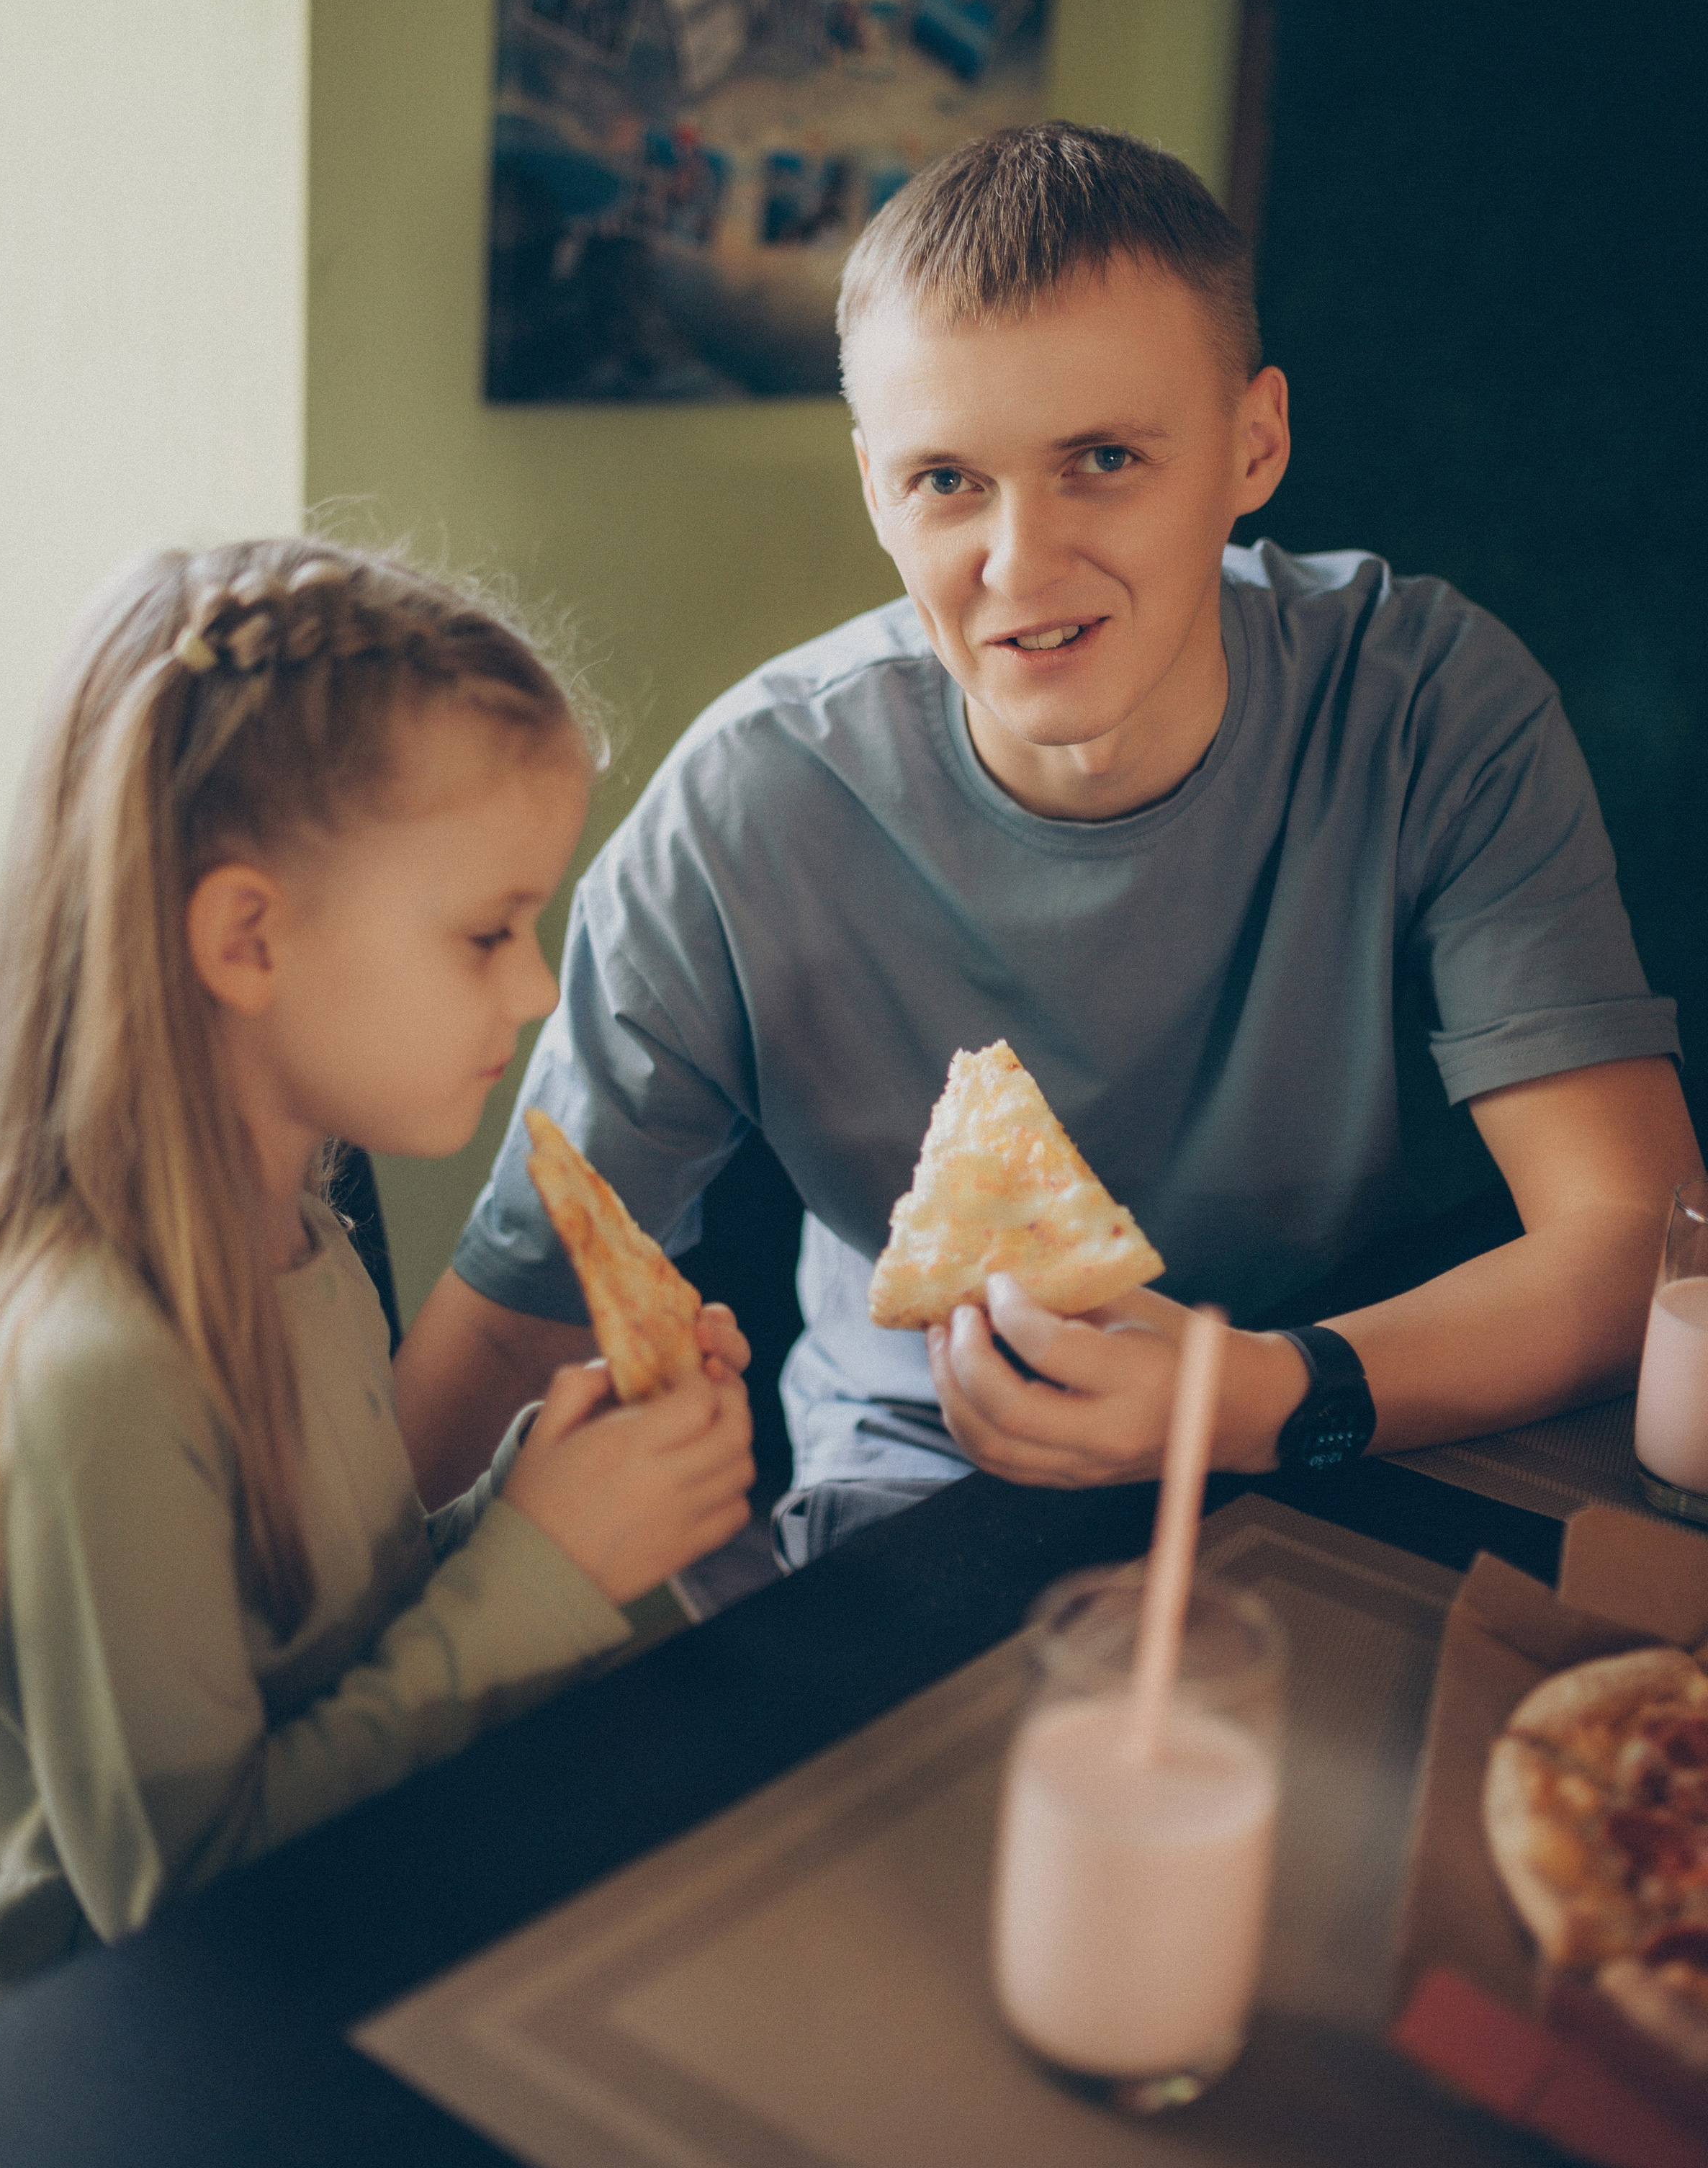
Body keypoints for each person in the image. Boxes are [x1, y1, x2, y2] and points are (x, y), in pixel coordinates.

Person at [393, 122, 1699, 1564]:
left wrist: (1253, 1395)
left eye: (1103, 459)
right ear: (875, 487)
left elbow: (1634, 1232)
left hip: (1334, 1413)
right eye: (946, 480)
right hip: (919, 1486)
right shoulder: (733, 817)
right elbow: (517, 1319)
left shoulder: (1425, 705)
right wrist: (320, 1664)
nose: (1019, 562)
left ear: (1253, 443)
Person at [0, 541, 753, 2018]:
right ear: (248, 937)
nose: (536, 988)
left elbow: (340, 1634)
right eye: (488, 931)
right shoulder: (95, 1382)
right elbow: (193, 1902)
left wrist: (540, 1488)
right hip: (135, 2071)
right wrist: (552, 1567)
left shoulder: (302, 1241)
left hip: (354, 1933)